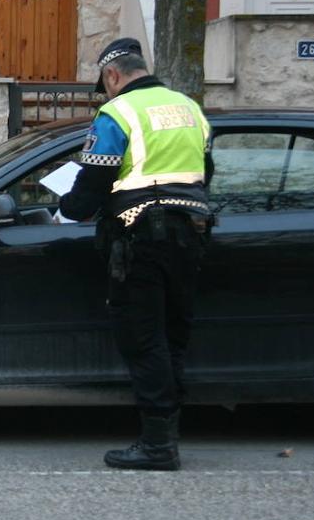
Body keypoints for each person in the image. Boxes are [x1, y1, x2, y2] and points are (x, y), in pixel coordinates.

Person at [59, 38, 214, 471]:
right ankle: (170, 432)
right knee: (173, 337)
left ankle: (158, 446)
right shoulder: (189, 109)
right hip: (191, 235)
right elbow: (206, 173)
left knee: (143, 340)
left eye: (104, 84)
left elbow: (91, 186)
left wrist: (66, 208)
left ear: (112, 75)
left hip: (140, 240)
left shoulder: (118, 114)